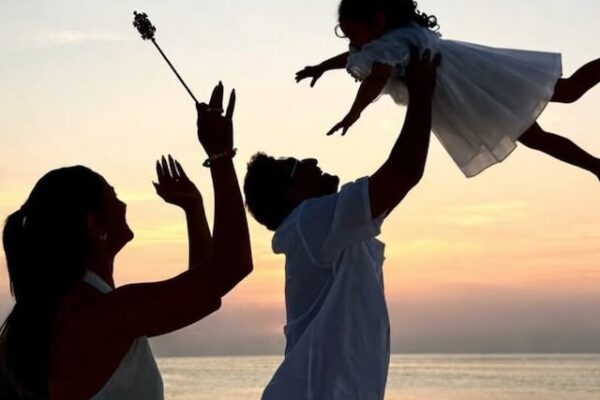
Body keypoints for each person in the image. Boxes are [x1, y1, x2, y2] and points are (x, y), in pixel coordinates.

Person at [0, 82, 252, 400]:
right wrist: (220, 155)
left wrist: (193, 208)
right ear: (94, 224)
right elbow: (231, 267)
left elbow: (201, 289)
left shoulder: (77, 311)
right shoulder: (106, 314)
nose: (124, 204)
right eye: (114, 196)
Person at [244, 51, 439, 399]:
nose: (311, 160)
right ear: (290, 196)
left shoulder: (330, 230)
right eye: (296, 165)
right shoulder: (309, 222)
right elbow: (404, 171)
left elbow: (400, 178)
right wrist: (422, 91)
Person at [296, 0, 600, 178]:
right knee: (542, 129)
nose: (351, 41)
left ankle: (596, 167)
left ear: (377, 21)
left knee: (566, 94)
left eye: (354, 33)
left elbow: (375, 78)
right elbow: (354, 57)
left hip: (475, 84)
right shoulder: (389, 39)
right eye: (345, 34)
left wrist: (354, 113)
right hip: (470, 91)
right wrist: (321, 67)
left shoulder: (392, 44)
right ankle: (596, 168)